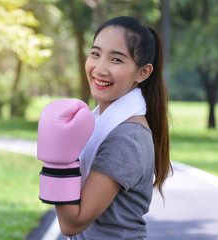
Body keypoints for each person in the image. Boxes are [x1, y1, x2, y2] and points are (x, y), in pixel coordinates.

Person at [53, 16, 172, 239]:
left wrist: (59, 159)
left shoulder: (125, 138)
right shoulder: (101, 122)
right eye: (95, 54)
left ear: (143, 72)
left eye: (116, 60)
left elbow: (72, 224)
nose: (100, 68)